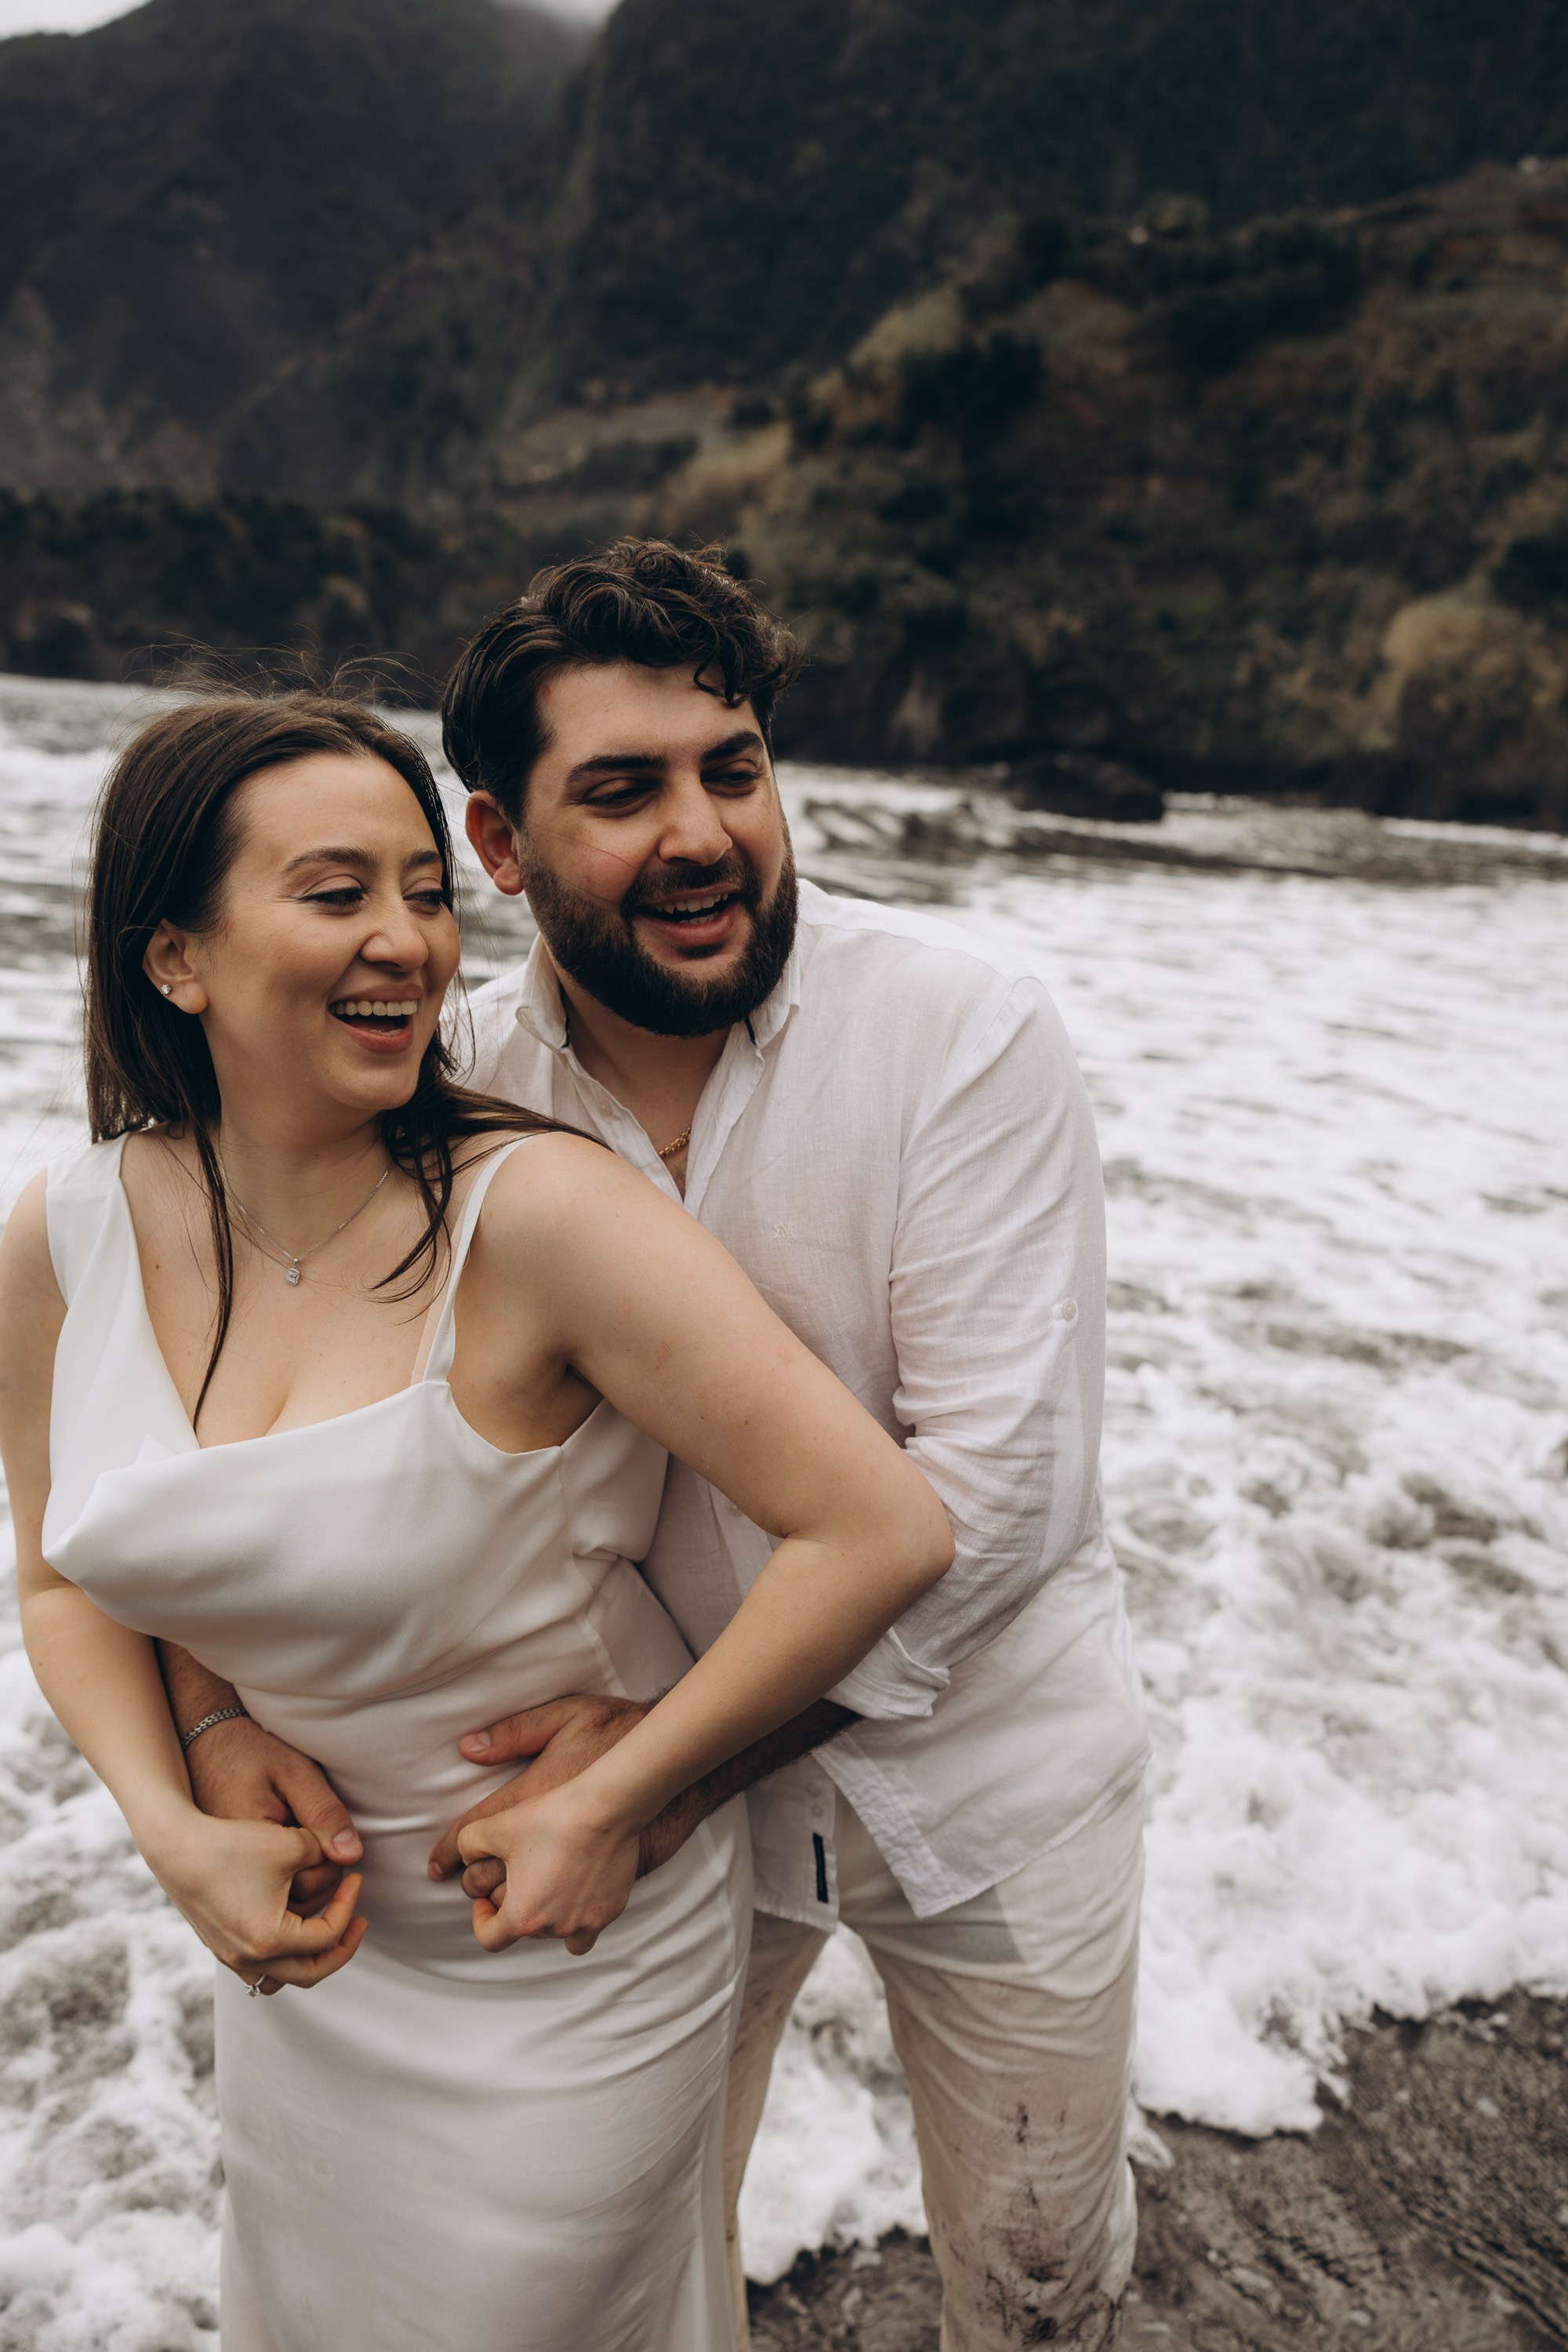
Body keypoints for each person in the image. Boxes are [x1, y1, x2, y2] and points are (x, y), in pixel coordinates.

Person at [170, 540, 1152, 2349]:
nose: (701, 832)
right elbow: (268, 1423)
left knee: (1037, 2277)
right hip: (636, 1824)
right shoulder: (445, 1092)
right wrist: (220, 1724)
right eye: (620, 791)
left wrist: (663, 1772)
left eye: (734, 768)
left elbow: (997, 1499)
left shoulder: (959, 1032)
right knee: (639, 2269)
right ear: (498, 847)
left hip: (984, 1779)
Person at [0, 688, 953, 2352]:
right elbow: (65, 1575)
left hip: (564, 1950)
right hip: (309, 1954)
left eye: (426, 894)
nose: (408, 944)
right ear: (176, 957)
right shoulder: (59, 1235)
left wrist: (634, 1794)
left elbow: (878, 1530)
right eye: (335, 893)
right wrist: (179, 1797)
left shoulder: (540, 1221)